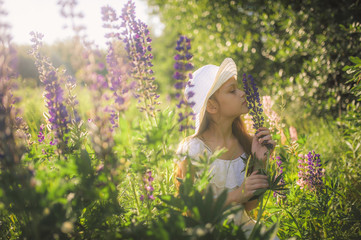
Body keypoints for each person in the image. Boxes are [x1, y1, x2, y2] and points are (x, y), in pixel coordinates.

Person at [175, 58, 277, 238]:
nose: (242, 93)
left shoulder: (246, 143)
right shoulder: (192, 149)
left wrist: (260, 162)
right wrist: (238, 194)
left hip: (241, 229)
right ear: (212, 106)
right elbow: (191, 210)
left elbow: (250, 207)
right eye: (232, 91)